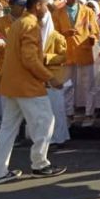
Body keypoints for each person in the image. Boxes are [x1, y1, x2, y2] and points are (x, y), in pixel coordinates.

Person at [0, 0, 66, 185]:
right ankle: (40, 164)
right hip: (26, 85)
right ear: (38, 6)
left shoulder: (17, 23)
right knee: (46, 121)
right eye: (45, 5)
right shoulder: (30, 25)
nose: (47, 9)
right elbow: (30, 59)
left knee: (8, 129)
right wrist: (50, 78)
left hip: (10, 84)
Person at [52, 0, 99, 127]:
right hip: (67, 53)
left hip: (84, 51)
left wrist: (93, 38)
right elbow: (52, 35)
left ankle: (89, 114)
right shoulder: (57, 13)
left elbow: (95, 31)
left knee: (89, 85)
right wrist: (64, 34)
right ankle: (68, 114)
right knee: (67, 85)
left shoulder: (88, 11)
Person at [40, 10, 70, 146]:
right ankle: (45, 139)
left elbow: (65, 56)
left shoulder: (57, 37)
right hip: (39, 78)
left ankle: (59, 137)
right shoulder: (33, 35)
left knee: (56, 110)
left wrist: (47, 57)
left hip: (54, 78)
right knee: (43, 111)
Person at [0, 0, 27, 87]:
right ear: (11, 5)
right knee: (8, 100)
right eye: (20, 5)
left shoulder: (30, 21)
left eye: (25, 5)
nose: (24, 7)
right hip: (7, 69)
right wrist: (7, 45)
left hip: (27, 69)